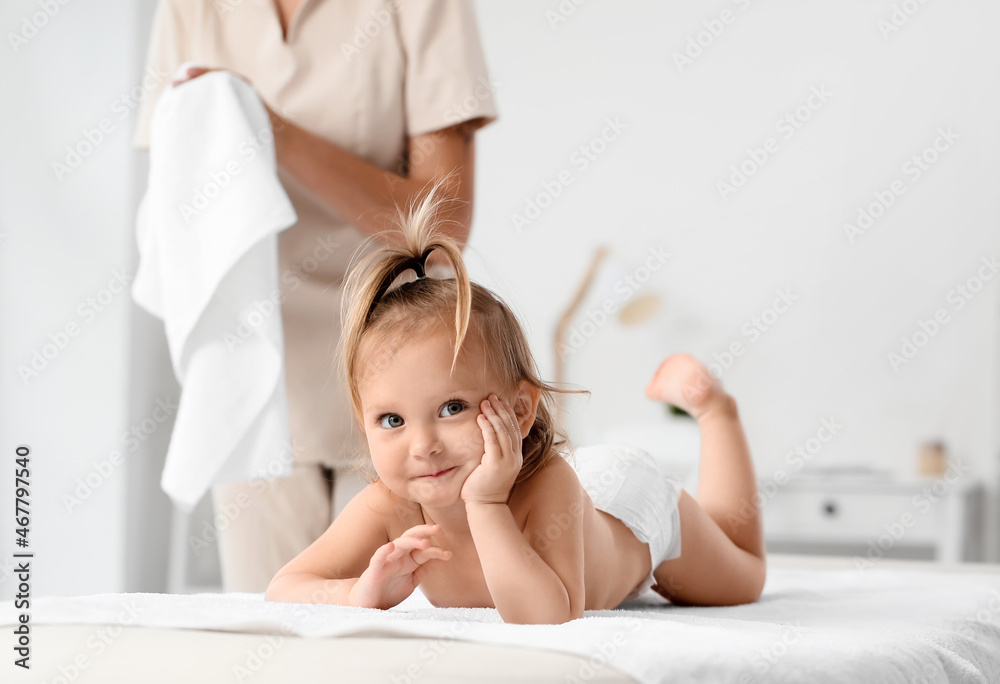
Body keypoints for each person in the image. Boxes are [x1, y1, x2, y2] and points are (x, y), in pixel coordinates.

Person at [264, 185, 767, 624]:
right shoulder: (391, 504)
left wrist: (486, 506)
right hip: (590, 496)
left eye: (451, 408)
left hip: (631, 513)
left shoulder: (548, 485)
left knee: (741, 575)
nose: (423, 446)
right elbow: (287, 586)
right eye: (391, 420)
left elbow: (549, 615)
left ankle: (715, 413)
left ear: (521, 410)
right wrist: (356, 593)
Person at [132, 0, 497, 591]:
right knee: (269, 638)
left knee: (407, 633)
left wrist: (270, 128)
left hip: (401, 371)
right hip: (254, 370)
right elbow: (182, 195)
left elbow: (442, 226)